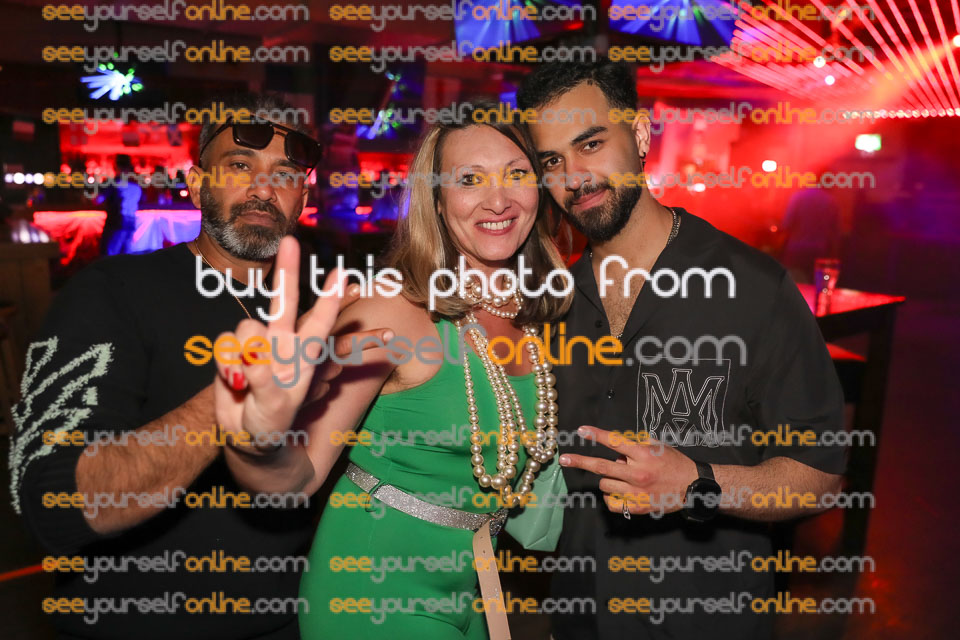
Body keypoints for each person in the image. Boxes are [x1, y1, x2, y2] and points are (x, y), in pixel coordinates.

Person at [9, 92, 386, 639]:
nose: (263, 189)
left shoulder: (319, 316)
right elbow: (54, 507)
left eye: (285, 174)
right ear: (196, 183)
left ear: (303, 195)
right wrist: (226, 406)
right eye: (240, 166)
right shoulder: (112, 292)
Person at [211, 101, 572, 639]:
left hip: (475, 587)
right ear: (437, 200)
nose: (498, 199)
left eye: (515, 173)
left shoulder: (538, 315)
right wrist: (255, 444)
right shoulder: (391, 311)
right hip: (373, 589)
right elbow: (297, 477)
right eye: (469, 179)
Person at [517, 60, 848, 638]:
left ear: (641, 135)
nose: (575, 178)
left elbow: (821, 475)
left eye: (591, 144)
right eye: (552, 161)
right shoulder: (553, 303)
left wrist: (698, 485)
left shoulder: (752, 289)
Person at [99, 154, 143, 256]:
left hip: (117, 222)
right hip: (131, 222)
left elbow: (98, 200)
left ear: (116, 167)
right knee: (126, 257)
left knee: (110, 255)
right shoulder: (137, 186)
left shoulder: (113, 183)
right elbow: (142, 201)